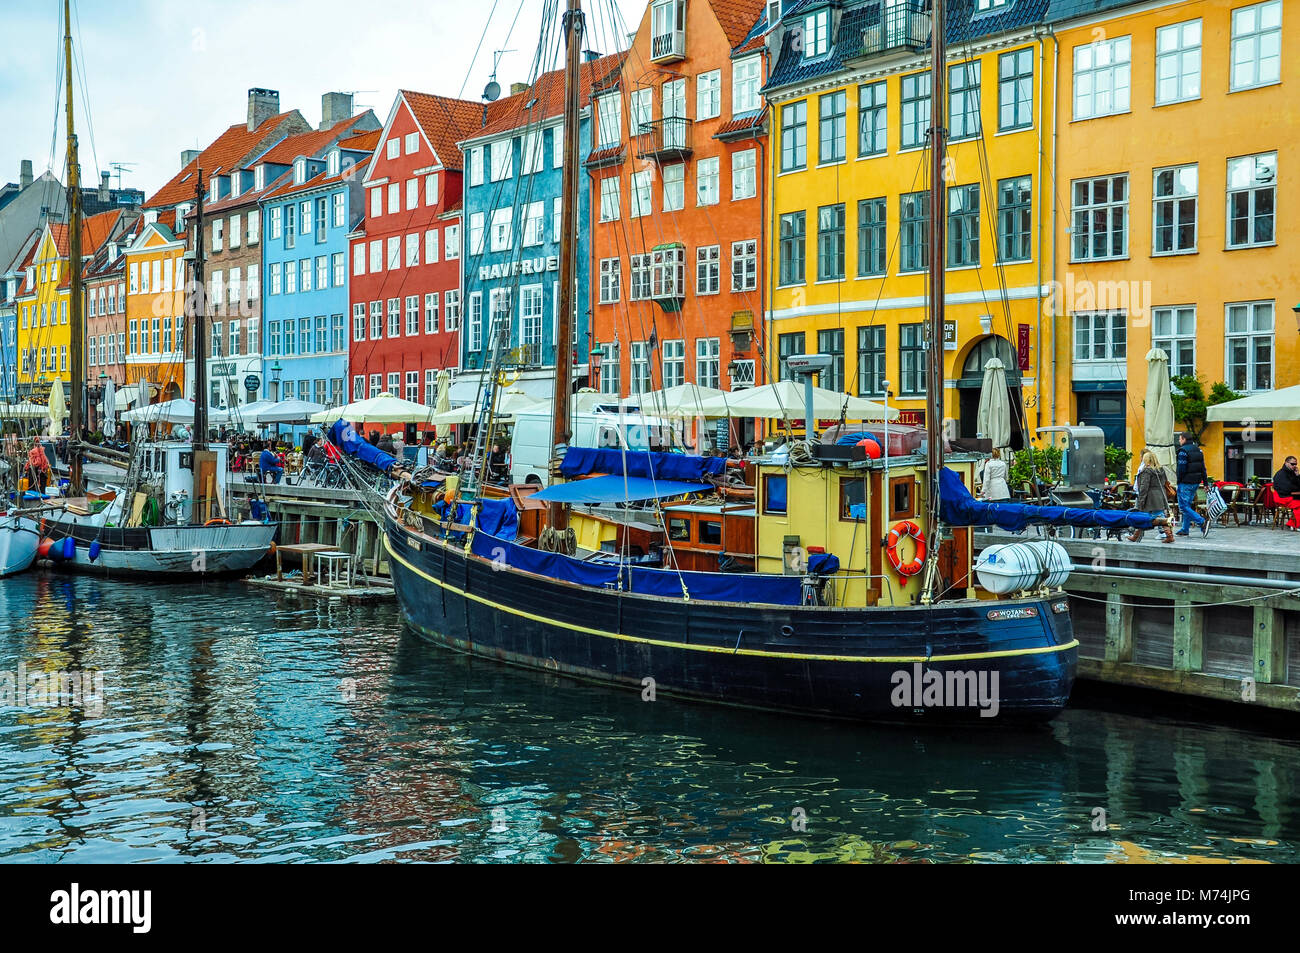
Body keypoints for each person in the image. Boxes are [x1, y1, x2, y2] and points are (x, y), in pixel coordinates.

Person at [1127, 450, 1175, 543]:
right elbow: (1165, 482)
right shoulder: (1161, 470)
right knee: (1149, 516)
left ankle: (1169, 535)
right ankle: (1136, 536)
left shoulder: (1147, 471)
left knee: (1145, 516)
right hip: (1160, 495)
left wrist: (1141, 500)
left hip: (1150, 498)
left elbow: (1144, 487)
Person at [1175, 432, 1209, 537]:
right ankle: (1185, 529)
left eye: (1180, 439)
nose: (1179, 441)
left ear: (1184, 439)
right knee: (1187, 505)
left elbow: (1181, 469)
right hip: (1196, 482)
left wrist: (1178, 481)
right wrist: (1205, 483)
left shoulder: (1183, 452)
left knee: (1183, 507)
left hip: (1185, 482)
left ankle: (1201, 521)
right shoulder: (1199, 450)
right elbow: (1203, 468)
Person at [1271, 456, 1300, 530]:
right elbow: (1287, 488)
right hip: (1282, 498)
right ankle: (1295, 524)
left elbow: (1297, 485)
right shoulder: (1281, 474)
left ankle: (1292, 524)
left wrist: (1297, 475)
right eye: (1292, 464)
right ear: (1286, 463)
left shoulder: (1291, 473)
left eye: (1295, 464)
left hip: (1289, 496)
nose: (1294, 466)